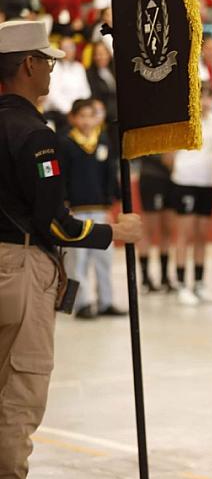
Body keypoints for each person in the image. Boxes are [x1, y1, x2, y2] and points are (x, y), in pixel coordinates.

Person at [0, 19, 141, 479]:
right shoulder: (35, 135)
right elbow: (55, 222)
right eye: (46, 61)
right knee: (18, 396)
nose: (51, 70)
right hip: (18, 270)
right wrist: (112, 231)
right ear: (27, 65)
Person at [60, 99, 123, 319]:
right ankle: (82, 303)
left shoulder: (103, 141)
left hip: (100, 208)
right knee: (78, 260)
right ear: (73, 118)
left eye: (91, 115)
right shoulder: (66, 144)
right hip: (76, 210)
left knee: (104, 258)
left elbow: (110, 173)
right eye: (82, 116)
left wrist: (113, 199)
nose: (87, 121)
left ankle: (106, 301)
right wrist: (65, 203)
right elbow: (62, 178)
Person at [171, 83, 212, 306]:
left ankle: (199, 283)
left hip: (206, 183)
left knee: (202, 235)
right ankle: (181, 284)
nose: (205, 101)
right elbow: (169, 154)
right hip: (185, 181)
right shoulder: (183, 120)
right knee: (185, 234)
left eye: (208, 97)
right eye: (201, 97)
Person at [137, 153, 175, 293]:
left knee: (168, 228)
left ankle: (165, 277)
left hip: (172, 178)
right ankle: (145, 279)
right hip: (152, 177)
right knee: (149, 229)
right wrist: (166, 157)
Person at [43, 37, 90, 132]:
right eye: (65, 47)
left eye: (71, 47)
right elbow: (53, 95)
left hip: (77, 113)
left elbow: (86, 93)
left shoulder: (79, 67)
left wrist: (79, 111)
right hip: (58, 113)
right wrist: (70, 111)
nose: (68, 51)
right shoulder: (55, 68)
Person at [85, 40, 117, 122]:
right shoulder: (90, 73)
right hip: (104, 108)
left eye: (103, 54)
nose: (100, 57)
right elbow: (93, 95)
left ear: (109, 55)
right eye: (97, 54)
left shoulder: (115, 69)